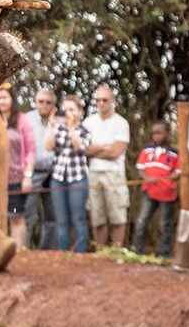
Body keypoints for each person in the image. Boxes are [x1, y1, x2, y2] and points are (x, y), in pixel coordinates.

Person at [83, 84, 130, 249]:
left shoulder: (121, 123)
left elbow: (116, 152)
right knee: (97, 216)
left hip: (114, 173)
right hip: (94, 173)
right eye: (98, 100)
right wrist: (105, 147)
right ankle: (100, 254)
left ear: (112, 101)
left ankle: (116, 252)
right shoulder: (88, 122)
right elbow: (84, 150)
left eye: (105, 100)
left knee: (117, 216)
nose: (101, 103)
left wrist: (96, 148)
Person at [46, 95, 92, 253]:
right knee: (61, 221)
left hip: (77, 178)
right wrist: (51, 126)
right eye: (66, 110)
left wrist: (72, 128)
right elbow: (48, 146)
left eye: (72, 109)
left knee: (78, 219)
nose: (68, 113)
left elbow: (79, 147)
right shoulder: (58, 128)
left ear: (80, 111)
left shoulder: (84, 131)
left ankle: (80, 255)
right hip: (58, 178)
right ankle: (62, 255)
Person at [0, 84, 35, 249]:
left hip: (17, 177)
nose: (1, 101)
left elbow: (31, 151)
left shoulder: (22, 120)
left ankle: (18, 250)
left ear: (12, 99)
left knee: (16, 217)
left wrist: (28, 177)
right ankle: (3, 250)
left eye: (4, 97)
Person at [131, 120, 180, 257]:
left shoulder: (174, 153)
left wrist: (175, 175)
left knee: (165, 224)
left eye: (159, 133)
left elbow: (178, 171)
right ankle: (137, 251)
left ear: (168, 134)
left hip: (167, 193)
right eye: (154, 133)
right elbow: (140, 167)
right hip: (149, 191)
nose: (156, 136)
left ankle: (164, 254)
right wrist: (146, 177)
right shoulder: (147, 149)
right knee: (141, 220)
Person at [24, 88, 58, 249]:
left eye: (48, 102)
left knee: (52, 216)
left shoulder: (61, 121)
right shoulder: (26, 119)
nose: (44, 105)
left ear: (53, 104)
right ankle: (22, 249)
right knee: (27, 215)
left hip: (54, 173)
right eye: (41, 102)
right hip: (33, 172)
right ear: (35, 102)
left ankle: (46, 252)